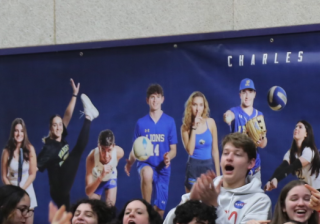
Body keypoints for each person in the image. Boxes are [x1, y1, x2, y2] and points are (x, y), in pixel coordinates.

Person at [163, 133, 272, 224]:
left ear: (251, 163)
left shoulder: (259, 201)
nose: (229, 158)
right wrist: (190, 201)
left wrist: (215, 206)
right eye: (225, 153)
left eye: (237, 154)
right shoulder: (205, 190)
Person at [37, 79, 100, 210]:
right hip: (59, 186)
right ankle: (88, 117)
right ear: (50, 128)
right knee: (76, 152)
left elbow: (67, 114)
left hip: (62, 191)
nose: (59, 127)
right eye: (55, 125)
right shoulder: (49, 147)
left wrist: (74, 95)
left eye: (60, 124)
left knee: (67, 218)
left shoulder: (61, 135)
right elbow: (35, 167)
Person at [127, 84, 179, 212]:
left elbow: (174, 150)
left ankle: (154, 221)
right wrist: (129, 162)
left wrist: (168, 157)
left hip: (163, 169)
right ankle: (146, 209)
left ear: (162, 99)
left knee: (160, 211)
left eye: (157, 97)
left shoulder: (169, 121)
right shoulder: (141, 123)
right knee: (147, 172)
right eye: (152, 97)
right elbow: (136, 148)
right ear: (147, 100)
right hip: (146, 163)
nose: (155, 100)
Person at [266, 120, 320, 193]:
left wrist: (277, 179)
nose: (296, 128)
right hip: (307, 190)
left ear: (306, 134)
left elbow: (293, 166)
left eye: (300, 127)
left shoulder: (309, 151)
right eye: (296, 126)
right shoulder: (291, 152)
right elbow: (283, 167)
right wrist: (270, 180)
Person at [223, 78, 267, 182]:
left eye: (250, 92)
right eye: (244, 92)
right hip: (238, 167)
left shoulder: (259, 115)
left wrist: (262, 142)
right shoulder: (235, 112)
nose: (247, 96)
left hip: (254, 167)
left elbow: (264, 142)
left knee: (254, 198)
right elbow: (228, 115)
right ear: (240, 95)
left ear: (254, 94)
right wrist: (227, 117)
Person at [182, 92, 220, 191]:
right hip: (193, 167)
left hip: (208, 165)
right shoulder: (185, 128)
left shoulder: (211, 123)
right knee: (191, 202)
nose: (198, 108)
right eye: (195, 105)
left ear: (204, 107)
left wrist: (219, 175)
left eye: (200, 105)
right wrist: (194, 127)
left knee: (208, 203)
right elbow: (190, 151)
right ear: (190, 107)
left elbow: (215, 151)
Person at [2, 117, 39, 210]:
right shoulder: (6, 151)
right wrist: (13, 192)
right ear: (12, 133)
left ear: (24, 133)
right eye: (16, 131)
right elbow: (4, 176)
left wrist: (22, 190)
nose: (19, 134)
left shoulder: (30, 149)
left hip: (27, 191)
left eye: (21, 131)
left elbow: (32, 174)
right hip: (12, 195)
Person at [85, 131, 124, 206]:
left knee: (110, 208)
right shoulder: (91, 158)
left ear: (113, 146)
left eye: (109, 150)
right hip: (96, 179)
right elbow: (88, 192)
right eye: (103, 150)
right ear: (98, 147)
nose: (106, 156)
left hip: (110, 178)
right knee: (95, 209)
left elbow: (115, 162)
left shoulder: (119, 153)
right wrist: (101, 176)